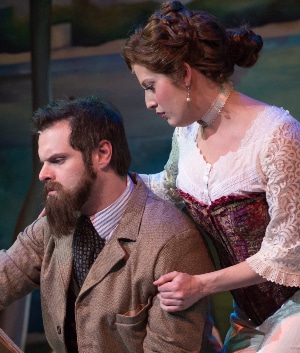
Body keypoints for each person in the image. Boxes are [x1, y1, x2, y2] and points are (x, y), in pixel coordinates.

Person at [122, 1, 300, 352]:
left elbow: (287, 252)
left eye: (149, 85)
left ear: (184, 74)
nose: (147, 102)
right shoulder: (187, 133)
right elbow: (167, 189)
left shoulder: (278, 135)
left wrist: (201, 285)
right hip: (247, 316)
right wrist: (97, 188)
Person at [0, 96, 220, 353]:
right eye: (43, 162)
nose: (43, 174)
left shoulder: (171, 242)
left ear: (102, 154)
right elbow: (6, 274)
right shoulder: (54, 223)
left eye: (57, 160)